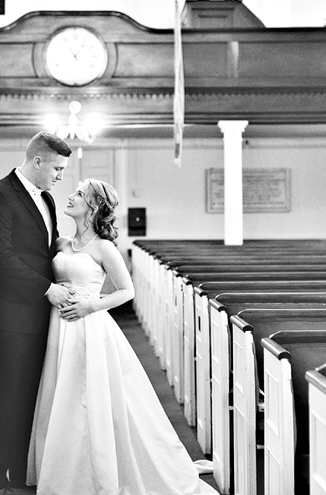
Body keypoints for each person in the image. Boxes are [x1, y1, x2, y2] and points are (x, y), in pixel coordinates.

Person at [27, 178, 218, 495]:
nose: (71, 196)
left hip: (90, 325)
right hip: (59, 326)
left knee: (92, 396)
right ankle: (64, 470)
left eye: (79, 194)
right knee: (60, 395)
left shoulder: (103, 248)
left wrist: (90, 305)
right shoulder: (59, 244)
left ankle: (100, 470)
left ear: (93, 205)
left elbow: (126, 291)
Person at [0, 131, 74, 495]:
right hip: (8, 315)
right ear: (37, 161)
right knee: (3, 397)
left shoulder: (46, 198)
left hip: (39, 315)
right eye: (58, 168)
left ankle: (20, 474)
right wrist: (48, 289)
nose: (61, 176)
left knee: (29, 395)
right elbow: (2, 259)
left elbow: (48, 247)